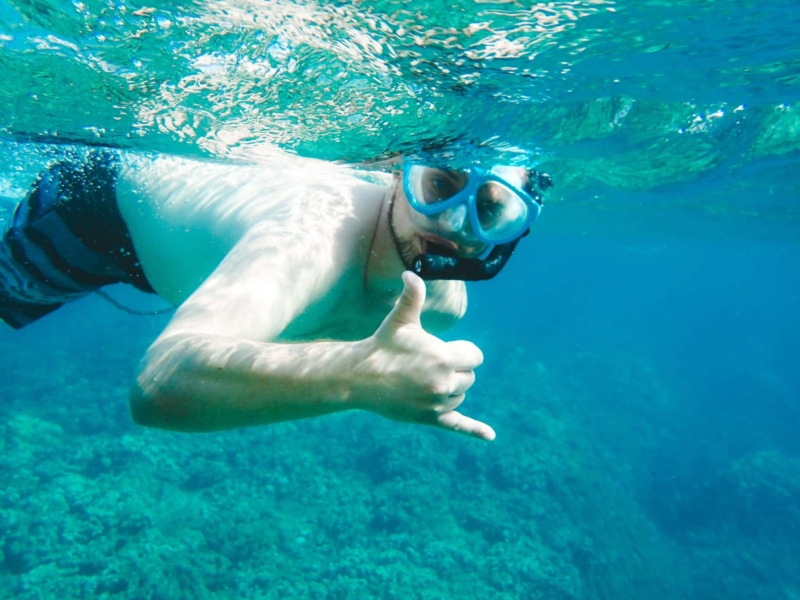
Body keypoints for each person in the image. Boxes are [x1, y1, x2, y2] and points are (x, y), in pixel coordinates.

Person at [0, 146, 548, 441]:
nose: (452, 223)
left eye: (491, 210)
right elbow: (157, 383)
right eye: (439, 185)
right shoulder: (311, 238)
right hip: (96, 217)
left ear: (515, 231)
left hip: (179, 256)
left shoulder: (445, 301)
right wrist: (359, 377)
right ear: (400, 174)